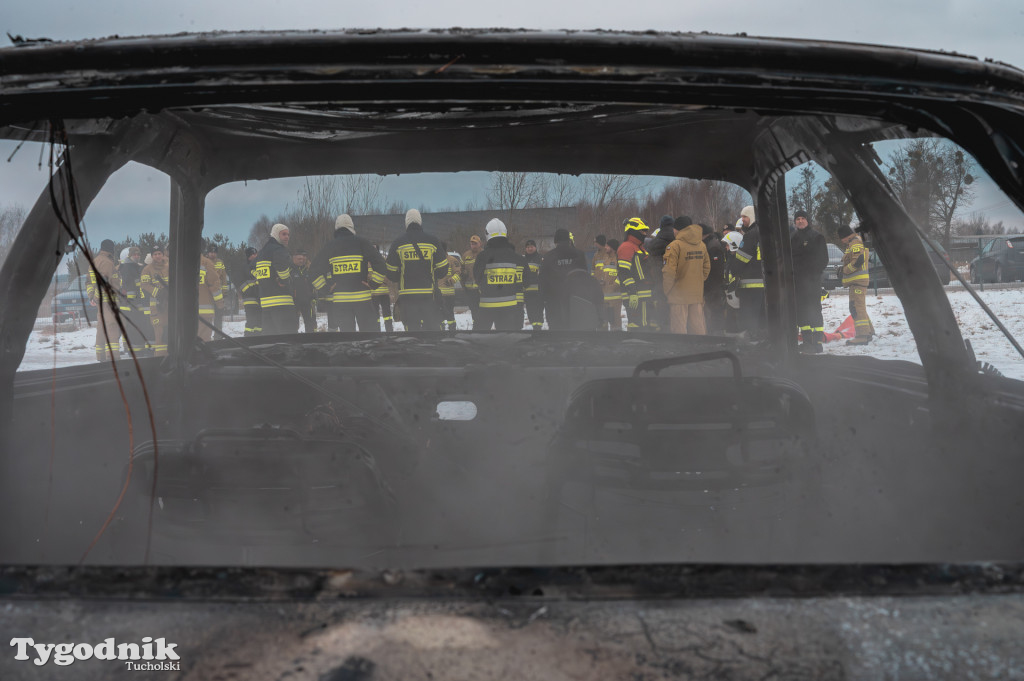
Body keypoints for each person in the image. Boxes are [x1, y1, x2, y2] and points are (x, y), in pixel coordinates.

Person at [311, 214, 388, 332]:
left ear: (336, 228)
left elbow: (313, 271)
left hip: (341, 303)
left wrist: (326, 288)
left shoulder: (330, 247)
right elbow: (381, 265)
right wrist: (373, 284)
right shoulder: (362, 243)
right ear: (351, 227)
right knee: (369, 338)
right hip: (363, 301)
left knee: (347, 339)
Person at [386, 209, 448, 331]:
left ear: (406, 222)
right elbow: (443, 270)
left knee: (412, 335)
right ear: (420, 222)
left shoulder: (398, 243)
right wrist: (431, 273)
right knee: (433, 333)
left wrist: (402, 275)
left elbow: (391, 273)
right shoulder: (433, 241)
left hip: (407, 299)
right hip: (429, 297)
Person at [473, 219, 525, 331]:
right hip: (510, 308)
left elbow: (477, 278)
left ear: (487, 234)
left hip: (486, 309)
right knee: (507, 343)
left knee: (479, 341)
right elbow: (522, 280)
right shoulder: (516, 257)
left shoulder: (482, 257)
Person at [662, 220, 710, 334]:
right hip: (697, 294)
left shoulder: (674, 245)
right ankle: (702, 350)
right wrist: (696, 282)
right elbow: (706, 268)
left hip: (678, 296)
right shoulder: (701, 245)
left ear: (678, 230)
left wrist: (667, 291)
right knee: (698, 329)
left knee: (679, 330)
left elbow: (669, 272)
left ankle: (681, 352)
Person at [791, 210, 829, 353]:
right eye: (797, 219)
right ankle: (807, 341)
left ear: (808, 220)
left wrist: (812, 275)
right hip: (797, 283)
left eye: (803, 218)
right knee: (801, 311)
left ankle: (817, 342)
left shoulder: (816, 237)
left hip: (812, 282)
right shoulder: (792, 237)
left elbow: (823, 259)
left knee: (813, 310)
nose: (800, 221)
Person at [539, 228, 588, 330]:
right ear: (568, 240)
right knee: (575, 334)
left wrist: (543, 298)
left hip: (554, 301)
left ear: (555, 241)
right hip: (576, 301)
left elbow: (542, 280)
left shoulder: (548, 256)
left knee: (556, 334)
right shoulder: (579, 254)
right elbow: (585, 277)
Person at [256, 223, 298, 335]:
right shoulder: (279, 250)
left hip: (266, 304)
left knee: (270, 340)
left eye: (288, 234)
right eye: (283, 234)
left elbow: (252, 268)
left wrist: (264, 281)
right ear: (275, 234)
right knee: (288, 337)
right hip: (282, 303)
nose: (287, 237)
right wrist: (286, 281)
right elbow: (282, 268)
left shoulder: (261, 253)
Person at [838, 225, 875, 346]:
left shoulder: (855, 243)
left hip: (857, 282)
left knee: (856, 308)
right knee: (859, 307)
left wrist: (844, 271)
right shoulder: (855, 242)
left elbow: (857, 261)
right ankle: (869, 332)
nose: (841, 241)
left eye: (841, 238)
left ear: (845, 236)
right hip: (857, 282)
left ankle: (862, 336)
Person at [617, 218, 656, 331]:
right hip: (635, 296)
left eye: (645, 231)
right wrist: (632, 292)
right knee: (638, 328)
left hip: (644, 295)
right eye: (642, 231)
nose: (645, 234)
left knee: (646, 326)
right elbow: (624, 272)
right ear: (633, 231)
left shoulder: (639, 247)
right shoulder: (626, 247)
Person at [88, 239, 123, 361]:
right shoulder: (107, 262)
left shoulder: (94, 261)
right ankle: (113, 356)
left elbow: (89, 282)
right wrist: (97, 298)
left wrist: (92, 297)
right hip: (108, 301)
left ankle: (101, 355)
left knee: (101, 328)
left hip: (100, 302)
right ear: (110, 249)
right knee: (112, 327)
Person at [733, 205, 765, 337]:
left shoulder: (750, 235)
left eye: (745, 216)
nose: (742, 220)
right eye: (741, 217)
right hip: (762, 281)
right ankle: (760, 335)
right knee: (760, 313)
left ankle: (751, 336)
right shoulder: (762, 232)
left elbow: (741, 258)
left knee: (748, 312)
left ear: (751, 217)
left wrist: (733, 270)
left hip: (749, 283)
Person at [645, 215, 680, 331]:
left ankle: (663, 329)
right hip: (678, 280)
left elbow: (650, 260)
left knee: (661, 303)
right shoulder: (678, 240)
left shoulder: (655, 243)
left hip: (659, 279)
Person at [118, 246, 153, 355]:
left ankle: (135, 349)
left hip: (134, 302)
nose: (137, 256)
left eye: (138, 255)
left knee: (136, 325)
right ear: (130, 255)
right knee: (133, 326)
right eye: (134, 255)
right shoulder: (128, 267)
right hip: (131, 303)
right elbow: (131, 285)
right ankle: (134, 350)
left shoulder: (132, 266)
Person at [140, 245, 170, 355]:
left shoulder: (169, 267)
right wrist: (158, 293)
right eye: (155, 254)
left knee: (170, 333)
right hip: (156, 307)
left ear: (163, 255)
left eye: (159, 253)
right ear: (152, 256)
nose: (157, 256)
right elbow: (144, 285)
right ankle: (160, 360)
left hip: (170, 306)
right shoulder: (147, 270)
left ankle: (170, 357)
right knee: (159, 333)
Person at [700, 224, 727, 335]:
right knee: (712, 309)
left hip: (713, 285)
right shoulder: (709, 243)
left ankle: (717, 333)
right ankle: (714, 331)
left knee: (715, 309)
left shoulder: (713, 246)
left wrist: (710, 284)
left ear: (704, 234)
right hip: (711, 284)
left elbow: (716, 268)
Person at [593, 236, 621, 331]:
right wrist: (601, 281)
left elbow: (621, 275)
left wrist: (614, 286)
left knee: (615, 322)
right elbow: (604, 274)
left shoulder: (618, 259)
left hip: (615, 297)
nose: (605, 248)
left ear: (612, 248)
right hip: (605, 296)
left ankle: (616, 339)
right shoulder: (606, 259)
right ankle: (603, 341)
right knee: (604, 321)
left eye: (607, 246)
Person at [197, 251, 224, 342]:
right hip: (204, 310)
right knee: (203, 340)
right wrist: (219, 303)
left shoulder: (180, 261)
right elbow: (214, 285)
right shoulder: (206, 263)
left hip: (184, 311)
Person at [438, 242, 462, 331]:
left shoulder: (452, 260)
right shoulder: (435, 260)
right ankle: (441, 333)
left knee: (449, 316)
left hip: (449, 295)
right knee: (439, 316)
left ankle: (452, 332)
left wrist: (451, 280)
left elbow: (458, 273)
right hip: (438, 295)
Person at [291, 250, 317, 332]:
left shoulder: (308, 269)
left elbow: (313, 284)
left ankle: (310, 341)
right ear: (293, 259)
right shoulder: (290, 270)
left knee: (310, 323)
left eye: (302, 259)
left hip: (307, 301)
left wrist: (313, 296)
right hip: (294, 302)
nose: (301, 260)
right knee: (294, 324)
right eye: (299, 259)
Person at [239, 246, 262, 336]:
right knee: (251, 320)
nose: (255, 255)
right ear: (248, 256)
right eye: (253, 254)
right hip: (249, 298)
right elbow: (239, 281)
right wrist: (247, 289)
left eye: (256, 254)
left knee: (259, 319)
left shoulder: (259, 265)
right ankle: (248, 337)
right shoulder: (244, 267)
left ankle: (258, 337)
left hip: (259, 296)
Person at [461, 235, 483, 326]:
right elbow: (461, 270)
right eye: (472, 243)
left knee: (482, 310)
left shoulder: (484, 254)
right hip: (470, 290)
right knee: (473, 309)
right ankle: (476, 326)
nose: (473, 245)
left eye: (475, 243)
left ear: (480, 244)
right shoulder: (465, 255)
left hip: (482, 289)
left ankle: (483, 327)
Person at [522, 239, 544, 330]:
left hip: (538, 292)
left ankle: (538, 328)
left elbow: (543, 275)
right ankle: (535, 328)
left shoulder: (540, 259)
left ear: (535, 247)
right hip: (527, 292)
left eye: (531, 247)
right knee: (530, 312)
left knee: (538, 312)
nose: (529, 249)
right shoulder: (522, 259)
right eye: (527, 247)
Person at [206, 243, 229, 330]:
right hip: (207, 295)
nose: (213, 254)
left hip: (218, 295)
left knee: (218, 316)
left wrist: (224, 292)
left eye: (215, 252)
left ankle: (218, 336)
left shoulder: (220, 262)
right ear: (207, 253)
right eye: (211, 252)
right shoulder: (204, 262)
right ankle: (206, 336)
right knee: (207, 317)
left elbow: (223, 278)